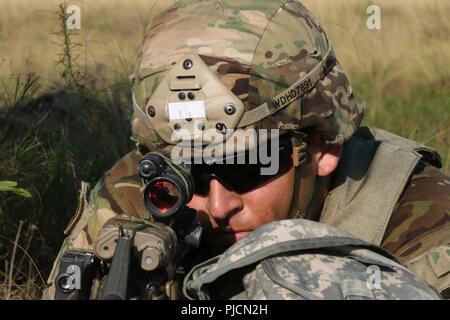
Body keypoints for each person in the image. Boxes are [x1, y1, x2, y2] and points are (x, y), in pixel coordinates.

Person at [43, 0, 449, 299]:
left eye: (246, 167)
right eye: (191, 174)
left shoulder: (423, 221)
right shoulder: (141, 195)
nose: (218, 206)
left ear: (323, 146)